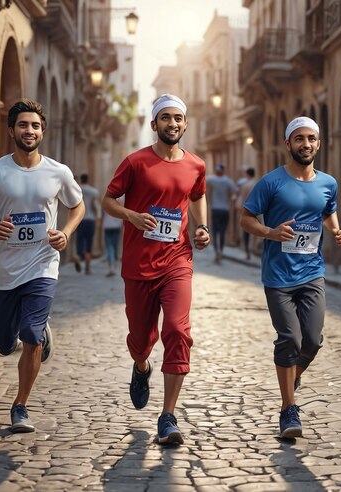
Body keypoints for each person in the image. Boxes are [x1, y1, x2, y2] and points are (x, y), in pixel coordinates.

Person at [0, 99, 84, 433]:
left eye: (35, 126)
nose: (29, 131)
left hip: (42, 266)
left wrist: (65, 233)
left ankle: (20, 406)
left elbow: (77, 206)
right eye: (22, 125)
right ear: (11, 130)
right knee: (5, 343)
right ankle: (36, 332)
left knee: (30, 336)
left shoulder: (58, 172)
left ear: (42, 132)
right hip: (5, 270)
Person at [102, 94, 210, 445]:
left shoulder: (196, 165)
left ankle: (168, 416)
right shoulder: (135, 163)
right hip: (138, 264)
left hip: (177, 260)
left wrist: (202, 227)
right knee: (140, 339)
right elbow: (106, 201)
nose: (173, 124)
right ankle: (141, 366)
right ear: (154, 124)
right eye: (166, 118)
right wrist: (131, 215)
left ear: (185, 123)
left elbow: (196, 195)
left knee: (178, 331)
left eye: (178, 118)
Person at [240, 117, 341, 439]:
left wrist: (336, 229)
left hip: (312, 272)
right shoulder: (271, 182)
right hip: (278, 276)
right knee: (290, 339)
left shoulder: (328, 182)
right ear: (288, 144)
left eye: (311, 138)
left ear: (319, 143)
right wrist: (270, 232)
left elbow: (327, 209)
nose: (306, 144)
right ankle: (289, 409)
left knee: (312, 341)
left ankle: (292, 375)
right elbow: (246, 219)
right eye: (299, 138)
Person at [206, 164, 236, 262]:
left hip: (215, 209)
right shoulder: (228, 181)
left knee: (215, 232)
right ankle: (221, 251)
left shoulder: (211, 179)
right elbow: (234, 193)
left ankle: (217, 251)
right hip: (225, 209)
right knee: (222, 232)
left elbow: (203, 180)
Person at [74, 173, 100, 274]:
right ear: (88, 180)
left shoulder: (77, 190)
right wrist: (97, 219)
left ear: (81, 180)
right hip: (90, 220)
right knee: (89, 242)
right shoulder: (94, 191)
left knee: (79, 240)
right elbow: (95, 206)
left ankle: (77, 256)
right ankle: (88, 268)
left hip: (80, 219)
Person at [236, 168, 257, 260]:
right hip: (258, 211)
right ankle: (253, 248)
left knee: (246, 231)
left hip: (248, 210)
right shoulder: (258, 184)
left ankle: (247, 251)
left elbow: (243, 200)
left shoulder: (246, 185)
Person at [103, 199, 123, 277]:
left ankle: (111, 266)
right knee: (114, 246)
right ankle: (113, 266)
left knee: (109, 246)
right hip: (116, 226)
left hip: (107, 225)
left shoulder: (106, 201)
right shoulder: (120, 202)